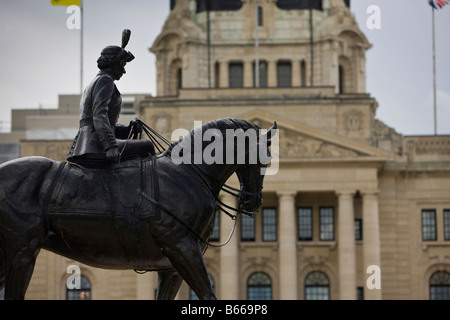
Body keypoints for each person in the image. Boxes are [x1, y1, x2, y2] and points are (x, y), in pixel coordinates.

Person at [67, 30, 155, 165]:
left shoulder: (96, 81)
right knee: (147, 146)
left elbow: (102, 122)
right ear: (115, 64)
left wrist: (127, 130)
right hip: (96, 145)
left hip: (88, 143)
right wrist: (111, 146)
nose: (124, 71)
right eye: (123, 65)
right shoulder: (105, 81)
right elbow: (99, 116)